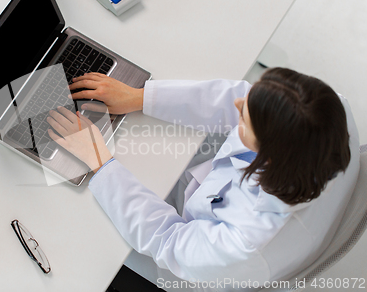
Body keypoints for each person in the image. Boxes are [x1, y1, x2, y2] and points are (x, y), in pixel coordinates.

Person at [46, 68, 360, 291]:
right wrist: (141, 97)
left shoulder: (245, 241)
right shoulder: (330, 113)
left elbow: (168, 241)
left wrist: (99, 161)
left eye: (244, 118)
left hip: (189, 270)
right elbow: (240, 98)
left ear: (271, 157)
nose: (238, 104)